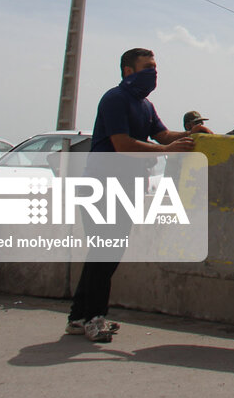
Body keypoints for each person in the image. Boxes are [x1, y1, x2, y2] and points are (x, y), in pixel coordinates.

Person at [67, 48, 211, 343]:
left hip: (127, 187)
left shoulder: (145, 105)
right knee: (104, 252)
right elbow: (122, 144)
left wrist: (192, 134)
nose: (153, 73)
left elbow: (162, 135)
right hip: (102, 186)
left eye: (155, 67)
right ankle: (94, 317)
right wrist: (166, 151)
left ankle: (78, 317)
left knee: (106, 253)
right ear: (128, 70)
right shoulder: (114, 99)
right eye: (148, 67)